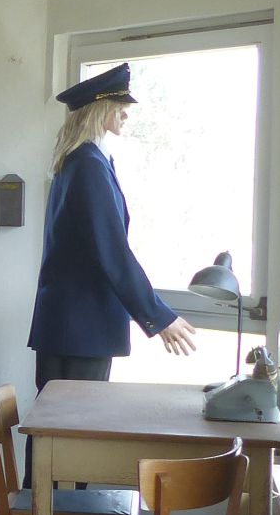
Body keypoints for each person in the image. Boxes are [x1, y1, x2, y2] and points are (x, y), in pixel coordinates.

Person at [27, 62, 196, 403]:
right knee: (66, 438)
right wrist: (158, 316)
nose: (125, 115)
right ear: (99, 110)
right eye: (120, 107)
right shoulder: (88, 165)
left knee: (55, 434)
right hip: (80, 329)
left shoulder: (82, 161)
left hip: (74, 327)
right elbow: (113, 254)